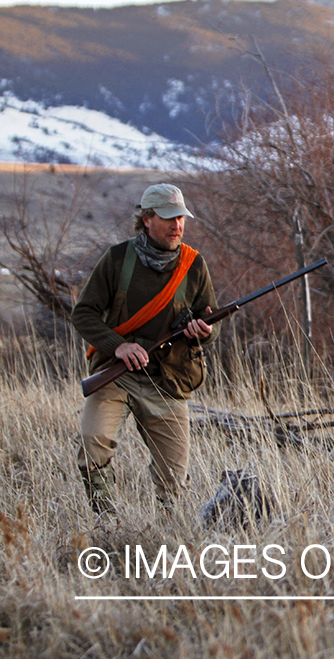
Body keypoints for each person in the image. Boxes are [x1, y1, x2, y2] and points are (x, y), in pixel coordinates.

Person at [71, 183, 219, 516]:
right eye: (168, 218)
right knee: (92, 444)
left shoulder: (194, 265)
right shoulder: (117, 259)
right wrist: (118, 346)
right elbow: (83, 313)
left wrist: (203, 331)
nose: (177, 226)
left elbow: (212, 321)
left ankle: (169, 537)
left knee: (174, 479)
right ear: (147, 219)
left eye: (180, 218)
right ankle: (108, 522)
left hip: (168, 380)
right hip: (116, 375)